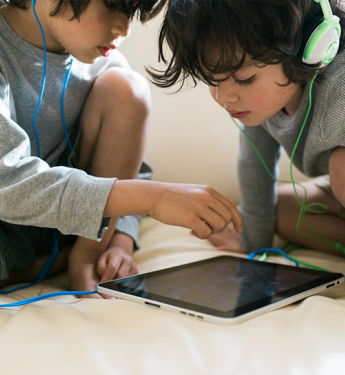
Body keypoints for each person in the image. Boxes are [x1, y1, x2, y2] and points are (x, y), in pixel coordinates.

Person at [0, 0, 242, 298]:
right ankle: (51, 265)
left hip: (76, 227)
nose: (124, 28)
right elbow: (8, 183)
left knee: (128, 89)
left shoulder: (102, 62)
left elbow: (133, 170)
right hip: (7, 221)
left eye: (132, 13)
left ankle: (80, 258)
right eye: (113, 5)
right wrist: (154, 199)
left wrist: (119, 241)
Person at [149, 0, 345, 255]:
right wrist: (252, 242)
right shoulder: (258, 107)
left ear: (310, 47)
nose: (224, 97)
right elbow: (254, 169)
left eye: (244, 79)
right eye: (211, 80)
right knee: (281, 210)